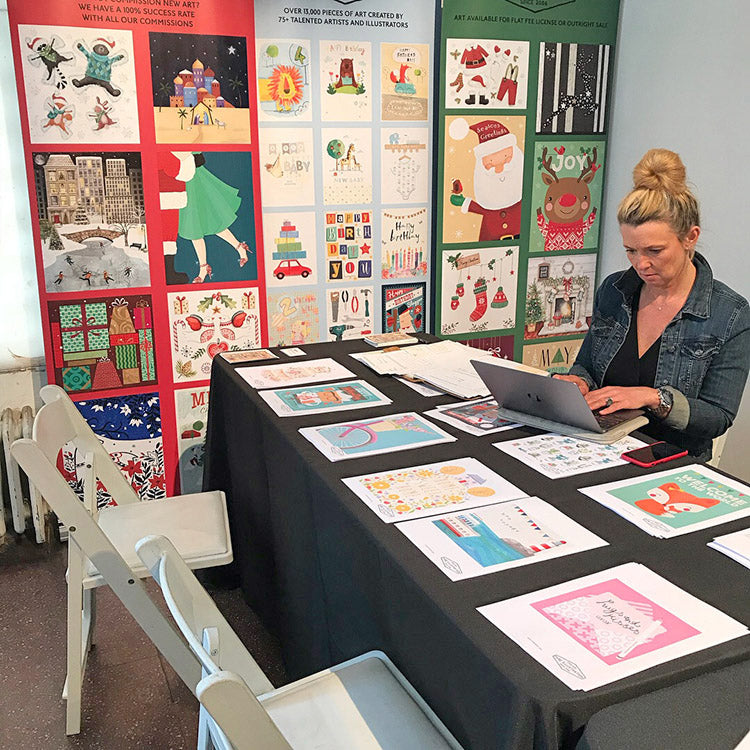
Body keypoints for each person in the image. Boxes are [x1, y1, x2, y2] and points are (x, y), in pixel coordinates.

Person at [555, 149, 750, 458]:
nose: (640, 264)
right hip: (599, 448)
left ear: (690, 237)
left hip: (671, 461)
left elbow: (718, 417)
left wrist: (654, 398)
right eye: (631, 250)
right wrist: (578, 382)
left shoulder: (731, 315)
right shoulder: (615, 291)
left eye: (654, 251)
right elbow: (588, 367)